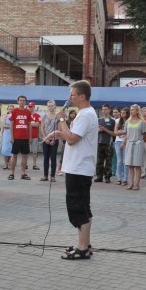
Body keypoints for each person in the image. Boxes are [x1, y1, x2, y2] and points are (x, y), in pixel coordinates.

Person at [43, 81, 98, 260]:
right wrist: (58, 133)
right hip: (80, 167)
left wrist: (60, 119)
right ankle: (86, 244)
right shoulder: (85, 114)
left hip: (79, 168)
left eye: (72, 95)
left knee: (77, 207)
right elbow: (71, 136)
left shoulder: (85, 115)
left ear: (82, 96)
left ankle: (82, 248)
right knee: (83, 206)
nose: (69, 98)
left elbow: (73, 139)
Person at [122, 104, 146, 190]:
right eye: (131, 109)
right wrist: (123, 143)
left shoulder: (142, 122)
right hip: (129, 144)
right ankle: (131, 183)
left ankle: (137, 184)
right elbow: (126, 134)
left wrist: (139, 142)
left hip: (138, 144)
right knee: (130, 165)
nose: (131, 111)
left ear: (137, 111)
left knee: (137, 165)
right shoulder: (127, 122)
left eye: (133, 110)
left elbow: (145, 135)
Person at [8, 96, 33, 180]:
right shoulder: (14, 111)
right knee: (14, 155)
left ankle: (23, 173)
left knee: (25, 156)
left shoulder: (28, 112)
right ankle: (12, 173)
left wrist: (30, 137)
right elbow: (11, 124)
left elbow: (29, 125)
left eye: (23, 100)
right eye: (20, 100)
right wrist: (12, 137)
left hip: (25, 138)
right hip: (16, 137)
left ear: (25, 102)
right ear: (17, 101)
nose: (22, 102)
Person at [94, 104, 116, 183]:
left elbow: (114, 133)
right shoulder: (98, 120)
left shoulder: (113, 121)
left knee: (108, 160)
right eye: (103, 109)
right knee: (99, 160)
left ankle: (107, 176)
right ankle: (99, 176)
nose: (104, 111)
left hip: (108, 143)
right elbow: (94, 131)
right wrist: (99, 130)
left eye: (106, 109)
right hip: (99, 142)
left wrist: (105, 129)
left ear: (109, 110)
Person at [39, 100, 59, 182]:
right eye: (49, 106)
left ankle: (53, 176)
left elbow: (59, 128)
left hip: (54, 140)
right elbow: (42, 128)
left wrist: (54, 139)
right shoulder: (44, 116)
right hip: (46, 140)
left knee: (53, 158)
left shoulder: (57, 116)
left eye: (52, 105)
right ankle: (45, 175)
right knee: (46, 158)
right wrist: (45, 138)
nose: (51, 107)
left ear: (55, 106)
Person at [114, 107, 129, 185]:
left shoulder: (129, 121)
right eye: (121, 112)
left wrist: (124, 141)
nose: (122, 114)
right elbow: (115, 132)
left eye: (124, 113)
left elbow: (128, 133)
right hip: (117, 141)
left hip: (126, 142)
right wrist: (123, 132)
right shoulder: (117, 121)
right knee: (119, 161)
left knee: (125, 161)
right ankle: (119, 178)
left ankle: (125, 178)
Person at [0, 104, 14, 169]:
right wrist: (10, 126)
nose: (10, 110)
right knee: (5, 149)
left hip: (12, 134)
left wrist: (9, 126)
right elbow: (3, 125)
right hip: (6, 133)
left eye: (12, 109)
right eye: (9, 109)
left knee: (11, 149)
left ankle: (10, 164)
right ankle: (6, 164)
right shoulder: (5, 116)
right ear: (7, 109)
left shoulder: (15, 116)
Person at [28, 101, 41, 171]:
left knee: (34, 151)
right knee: (26, 151)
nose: (30, 108)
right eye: (29, 106)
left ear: (34, 107)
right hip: (26, 135)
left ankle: (34, 164)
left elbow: (37, 125)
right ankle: (25, 164)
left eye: (31, 106)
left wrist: (29, 123)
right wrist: (32, 123)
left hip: (34, 135)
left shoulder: (37, 115)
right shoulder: (26, 114)